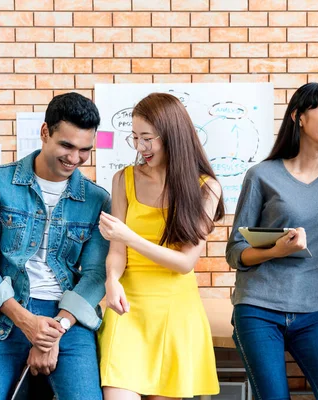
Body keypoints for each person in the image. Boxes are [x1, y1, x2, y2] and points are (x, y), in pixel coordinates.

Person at [0, 92, 109, 400]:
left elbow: (96, 275)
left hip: (67, 316)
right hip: (0, 313)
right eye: (66, 145)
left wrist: (55, 330)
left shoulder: (98, 200)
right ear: (45, 133)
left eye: (85, 150)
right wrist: (25, 320)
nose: (74, 158)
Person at [225, 82, 318, 400]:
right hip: (257, 308)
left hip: (313, 314)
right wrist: (277, 250)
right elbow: (235, 252)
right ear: (299, 116)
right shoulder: (262, 175)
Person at [97, 92, 224, 399]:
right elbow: (117, 252)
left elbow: (184, 263)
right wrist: (111, 280)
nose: (140, 147)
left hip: (174, 314)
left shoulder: (206, 187)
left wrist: (128, 236)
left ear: (171, 135)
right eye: (135, 138)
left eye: (147, 138)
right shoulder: (123, 179)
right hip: (127, 310)